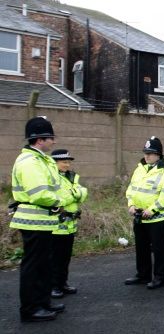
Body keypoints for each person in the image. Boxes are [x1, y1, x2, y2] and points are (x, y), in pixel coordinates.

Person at [10, 117, 70, 322]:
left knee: (44, 265)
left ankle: (43, 302)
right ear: (39, 139)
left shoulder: (40, 160)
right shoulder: (30, 162)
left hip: (42, 221)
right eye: (50, 137)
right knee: (34, 266)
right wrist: (60, 201)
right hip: (33, 220)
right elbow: (39, 193)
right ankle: (30, 309)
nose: (53, 141)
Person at [124, 136, 164, 289]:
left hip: (157, 218)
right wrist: (131, 205)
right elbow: (131, 189)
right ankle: (143, 275)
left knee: (159, 249)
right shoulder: (140, 168)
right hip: (139, 215)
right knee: (141, 248)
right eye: (145, 152)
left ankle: (160, 278)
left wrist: (153, 209)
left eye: (151, 153)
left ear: (159, 154)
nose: (147, 156)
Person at [50, 149, 88, 299]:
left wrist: (74, 194)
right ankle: (53, 286)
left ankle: (62, 283)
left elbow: (83, 193)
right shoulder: (52, 177)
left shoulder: (71, 176)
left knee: (65, 257)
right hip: (56, 224)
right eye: (64, 162)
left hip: (70, 224)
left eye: (68, 162)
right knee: (54, 258)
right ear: (55, 163)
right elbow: (61, 197)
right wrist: (75, 194)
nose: (67, 165)